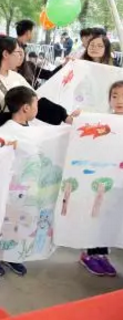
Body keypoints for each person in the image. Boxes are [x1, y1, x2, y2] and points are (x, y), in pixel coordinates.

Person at [0, 36, 73, 131]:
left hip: (18, 134)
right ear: (6, 54)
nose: (21, 56)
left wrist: (64, 116)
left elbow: (36, 102)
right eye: (18, 52)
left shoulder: (16, 77)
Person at [79, 81, 123, 278]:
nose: (119, 100)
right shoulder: (103, 122)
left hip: (119, 181)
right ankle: (89, 253)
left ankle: (103, 254)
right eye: (114, 96)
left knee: (111, 217)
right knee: (96, 214)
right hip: (101, 179)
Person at [0, 86, 39, 277]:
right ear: (26, 108)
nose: (37, 108)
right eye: (36, 104)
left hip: (27, 188)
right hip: (9, 186)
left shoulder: (35, 130)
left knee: (18, 222)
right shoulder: (6, 131)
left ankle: (12, 255)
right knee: (1, 221)